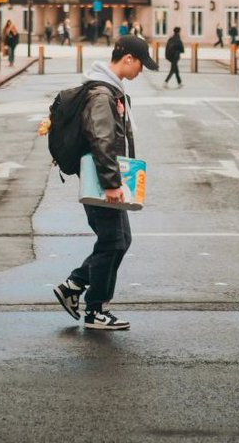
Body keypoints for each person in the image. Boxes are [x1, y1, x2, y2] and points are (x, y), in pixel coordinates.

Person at [53, 36, 159, 331]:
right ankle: (95, 310)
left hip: (107, 180)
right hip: (102, 182)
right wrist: (112, 184)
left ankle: (74, 285)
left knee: (119, 240)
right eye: (141, 64)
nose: (141, 71)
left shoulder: (110, 89)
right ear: (127, 59)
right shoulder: (102, 94)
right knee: (113, 241)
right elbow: (102, 140)